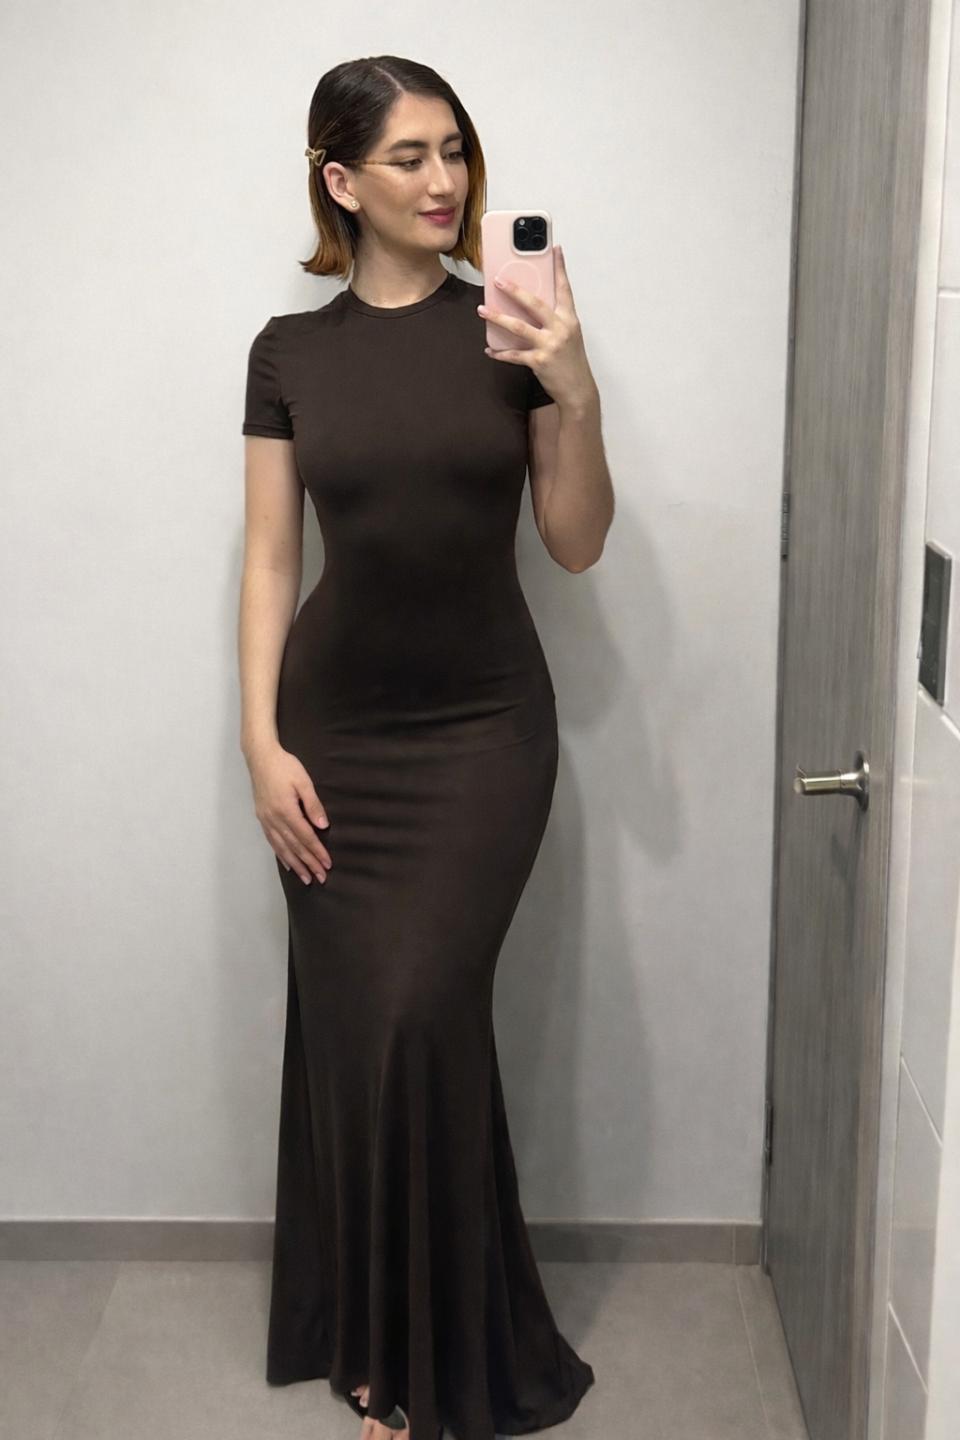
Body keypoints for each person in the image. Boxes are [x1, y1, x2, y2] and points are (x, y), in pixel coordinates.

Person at [238, 54, 614, 1440]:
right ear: (341, 181)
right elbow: (270, 562)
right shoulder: (287, 355)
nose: (445, 180)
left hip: (483, 738)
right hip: (334, 735)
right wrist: (258, 742)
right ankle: (380, 1336)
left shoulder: (512, 330)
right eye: (409, 156)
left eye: (454, 149)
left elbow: (575, 543)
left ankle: (424, 1346)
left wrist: (574, 388)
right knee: (361, 1034)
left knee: (418, 1015)